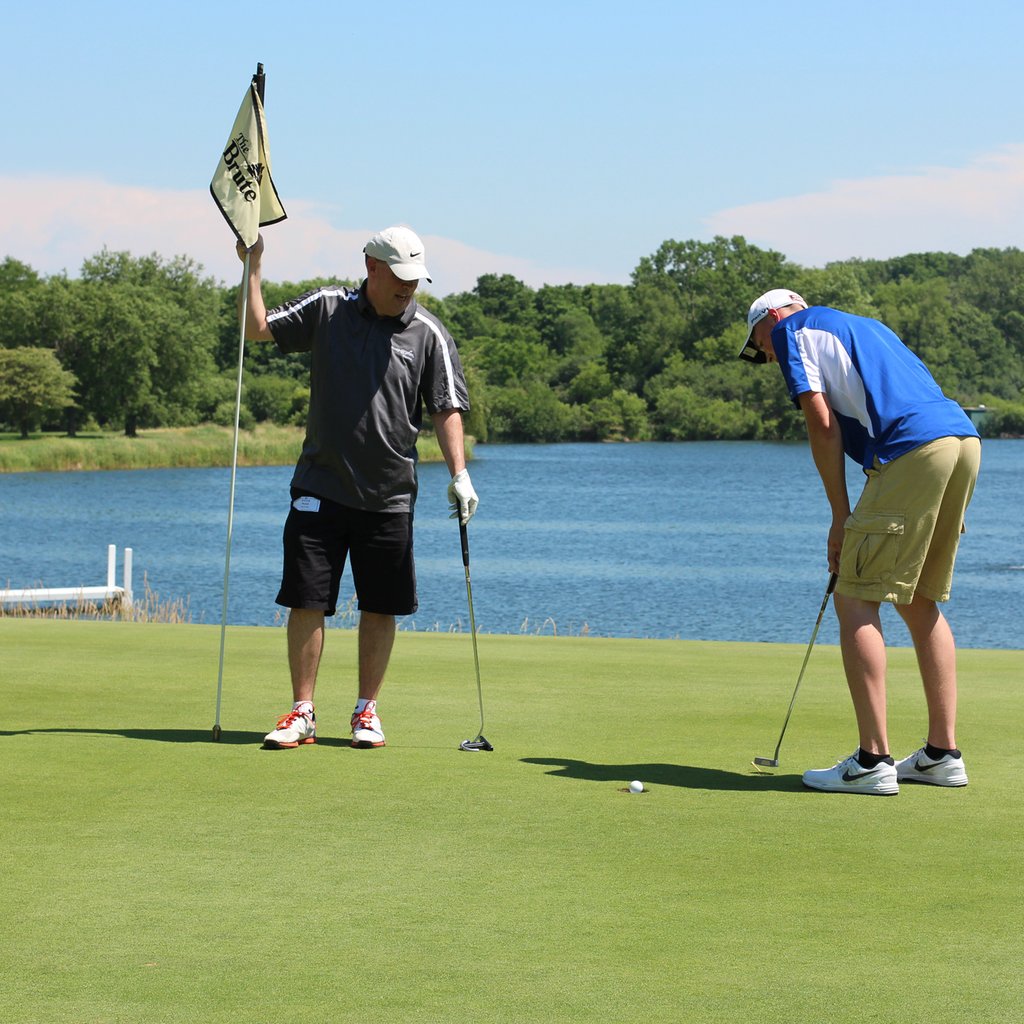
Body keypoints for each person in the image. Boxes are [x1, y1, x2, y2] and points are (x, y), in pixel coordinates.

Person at [236, 225, 479, 750]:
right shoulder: (327, 310)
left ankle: (366, 711)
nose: (409, 288)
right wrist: (252, 264)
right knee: (306, 600)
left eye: (416, 279)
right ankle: (302, 711)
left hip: (389, 495)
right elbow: (257, 328)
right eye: (400, 277)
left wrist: (459, 474)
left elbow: (446, 408)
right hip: (319, 487)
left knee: (380, 604)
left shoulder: (429, 334)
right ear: (372, 266)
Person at [739, 289, 981, 795]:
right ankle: (941, 755)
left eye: (757, 341)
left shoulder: (792, 331)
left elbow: (822, 423)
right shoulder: (867, 326)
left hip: (912, 449)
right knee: (918, 598)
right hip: (961, 442)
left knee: (855, 597)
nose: (764, 353)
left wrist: (839, 517)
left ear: (773, 317)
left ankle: (872, 761)